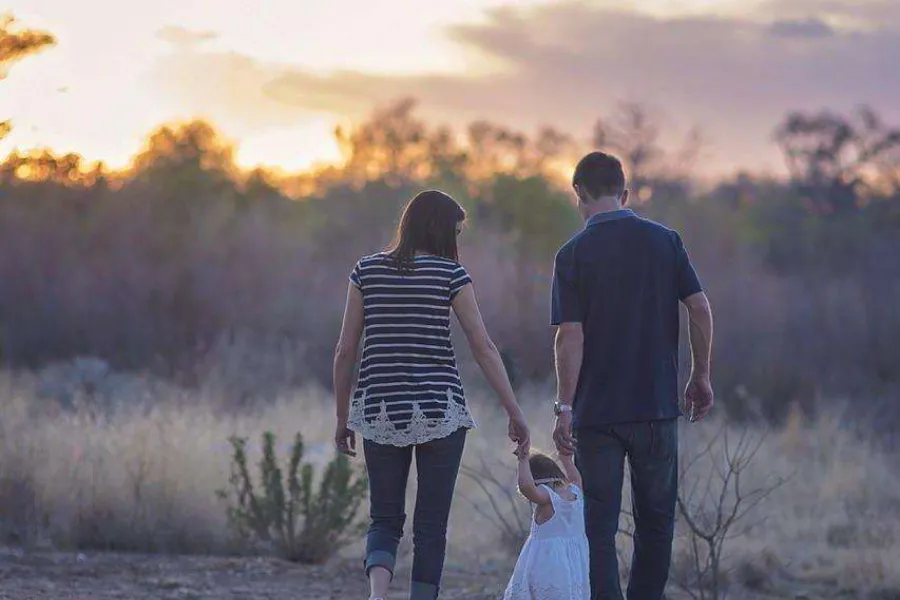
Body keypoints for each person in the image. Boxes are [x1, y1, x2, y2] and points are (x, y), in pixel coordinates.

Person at [332, 189, 530, 600]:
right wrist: (514, 410)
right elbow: (483, 347)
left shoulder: (366, 271)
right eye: (455, 232)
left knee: (384, 518)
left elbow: (345, 350)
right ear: (439, 229)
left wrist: (342, 417)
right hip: (441, 411)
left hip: (380, 410)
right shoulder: (451, 275)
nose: (456, 240)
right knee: (431, 526)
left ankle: (376, 596)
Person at [550, 152, 715, 600]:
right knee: (656, 524)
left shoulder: (572, 254)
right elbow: (699, 308)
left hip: (596, 416)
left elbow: (570, 335)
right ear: (624, 194)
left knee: (597, 528)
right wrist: (700, 375)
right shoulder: (666, 241)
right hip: (655, 409)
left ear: (579, 193)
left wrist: (564, 407)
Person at [503, 450, 590, 600]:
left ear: (537, 482)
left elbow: (526, 488)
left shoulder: (548, 498)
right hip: (574, 566)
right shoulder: (576, 493)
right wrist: (566, 459)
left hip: (548, 566)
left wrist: (523, 461)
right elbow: (576, 478)